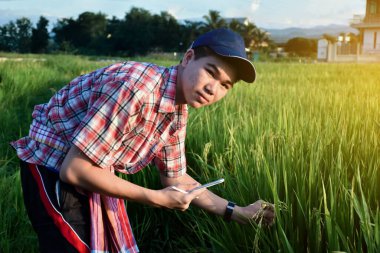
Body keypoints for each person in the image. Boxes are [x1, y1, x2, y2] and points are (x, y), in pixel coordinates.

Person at [11, 28, 275, 253]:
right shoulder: (136, 89)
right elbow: (74, 170)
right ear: (188, 58)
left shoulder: (176, 111)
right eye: (211, 72)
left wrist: (236, 212)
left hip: (91, 164)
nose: (212, 88)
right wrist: (155, 198)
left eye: (225, 85)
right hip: (52, 162)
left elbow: (176, 178)